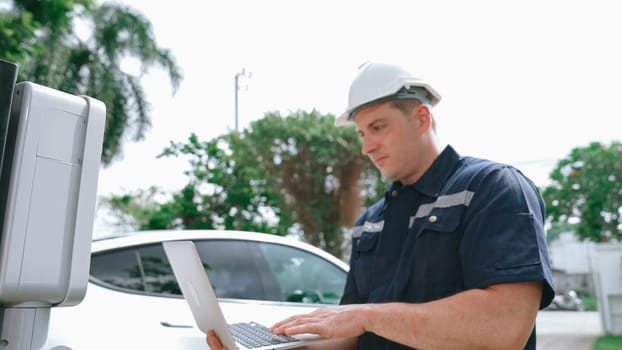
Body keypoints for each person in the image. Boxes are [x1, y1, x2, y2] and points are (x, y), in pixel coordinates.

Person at [207, 62, 556, 350]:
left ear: (421, 118)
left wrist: (368, 315)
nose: (367, 147)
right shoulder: (371, 221)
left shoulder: (493, 188)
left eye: (378, 127)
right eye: (361, 133)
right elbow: (350, 334)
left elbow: (504, 328)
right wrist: (280, 347)